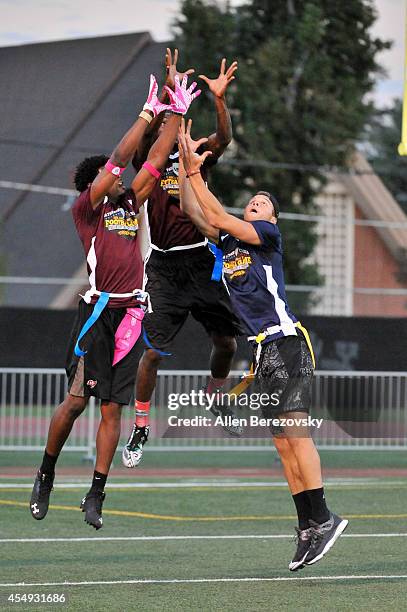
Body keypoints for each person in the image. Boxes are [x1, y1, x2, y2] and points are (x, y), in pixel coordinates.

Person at [29, 72, 200, 530]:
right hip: (96, 313)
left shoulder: (133, 203)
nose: (120, 178)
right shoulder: (90, 211)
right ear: (97, 187)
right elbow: (122, 159)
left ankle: (96, 493)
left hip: (129, 315)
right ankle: (45, 473)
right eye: (110, 177)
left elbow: (157, 158)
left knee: (111, 409)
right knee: (76, 403)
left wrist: (175, 113)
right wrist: (147, 113)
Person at [177, 118, 348, 569]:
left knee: (297, 434)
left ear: (270, 218)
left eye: (261, 203)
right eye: (251, 201)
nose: (254, 204)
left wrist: (196, 170)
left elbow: (214, 213)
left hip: (287, 342)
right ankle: (309, 526)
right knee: (281, 443)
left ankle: (325, 516)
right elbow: (196, 214)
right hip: (263, 352)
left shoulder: (268, 238)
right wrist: (181, 160)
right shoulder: (230, 246)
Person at [122, 51, 243, 470]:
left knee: (226, 341)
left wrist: (220, 101)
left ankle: (214, 396)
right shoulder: (151, 160)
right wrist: (169, 87)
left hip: (201, 259)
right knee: (152, 353)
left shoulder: (196, 152)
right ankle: (139, 426)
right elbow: (147, 135)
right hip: (164, 267)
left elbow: (223, 140)